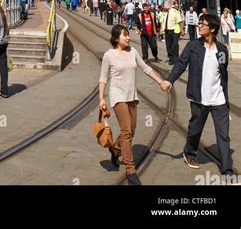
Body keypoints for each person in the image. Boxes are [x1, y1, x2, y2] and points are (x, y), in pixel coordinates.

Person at [161, 14, 237, 183]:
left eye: (202, 24)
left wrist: (225, 97)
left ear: (212, 29)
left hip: (219, 101)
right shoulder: (193, 46)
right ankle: (189, 152)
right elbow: (181, 64)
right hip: (199, 98)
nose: (199, 26)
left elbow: (223, 74)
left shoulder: (222, 50)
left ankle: (227, 169)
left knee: (223, 135)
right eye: (199, 23)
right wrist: (169, 80)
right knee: (195, 130)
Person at [99, 24, 166, 185]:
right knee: (127, 131)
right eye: (125, 35)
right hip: (118, 96)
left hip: (132, 96)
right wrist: (101, 98)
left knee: (131, 130)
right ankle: (130, 170)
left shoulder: (133, 52)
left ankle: (115, 150)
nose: (128, 37)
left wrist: (161, 82)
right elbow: (103, 78)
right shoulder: (109, 55)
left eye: (128, 34)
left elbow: (146, 69)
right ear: (116, 38)